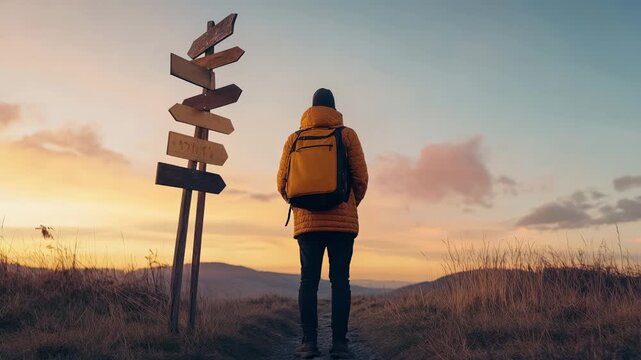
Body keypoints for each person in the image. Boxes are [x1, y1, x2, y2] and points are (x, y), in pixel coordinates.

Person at [277, 88, 368, 359]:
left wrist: (302, 207)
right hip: (342, 222)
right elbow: (361, 178)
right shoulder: (346, 135)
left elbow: (282, 184)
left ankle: (308, 344)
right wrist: (348, 203)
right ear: (334, 108)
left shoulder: (294, 139)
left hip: (307, 225)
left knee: (308, 282)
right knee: (341, 281)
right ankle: (339, 345)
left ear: (311, 109)